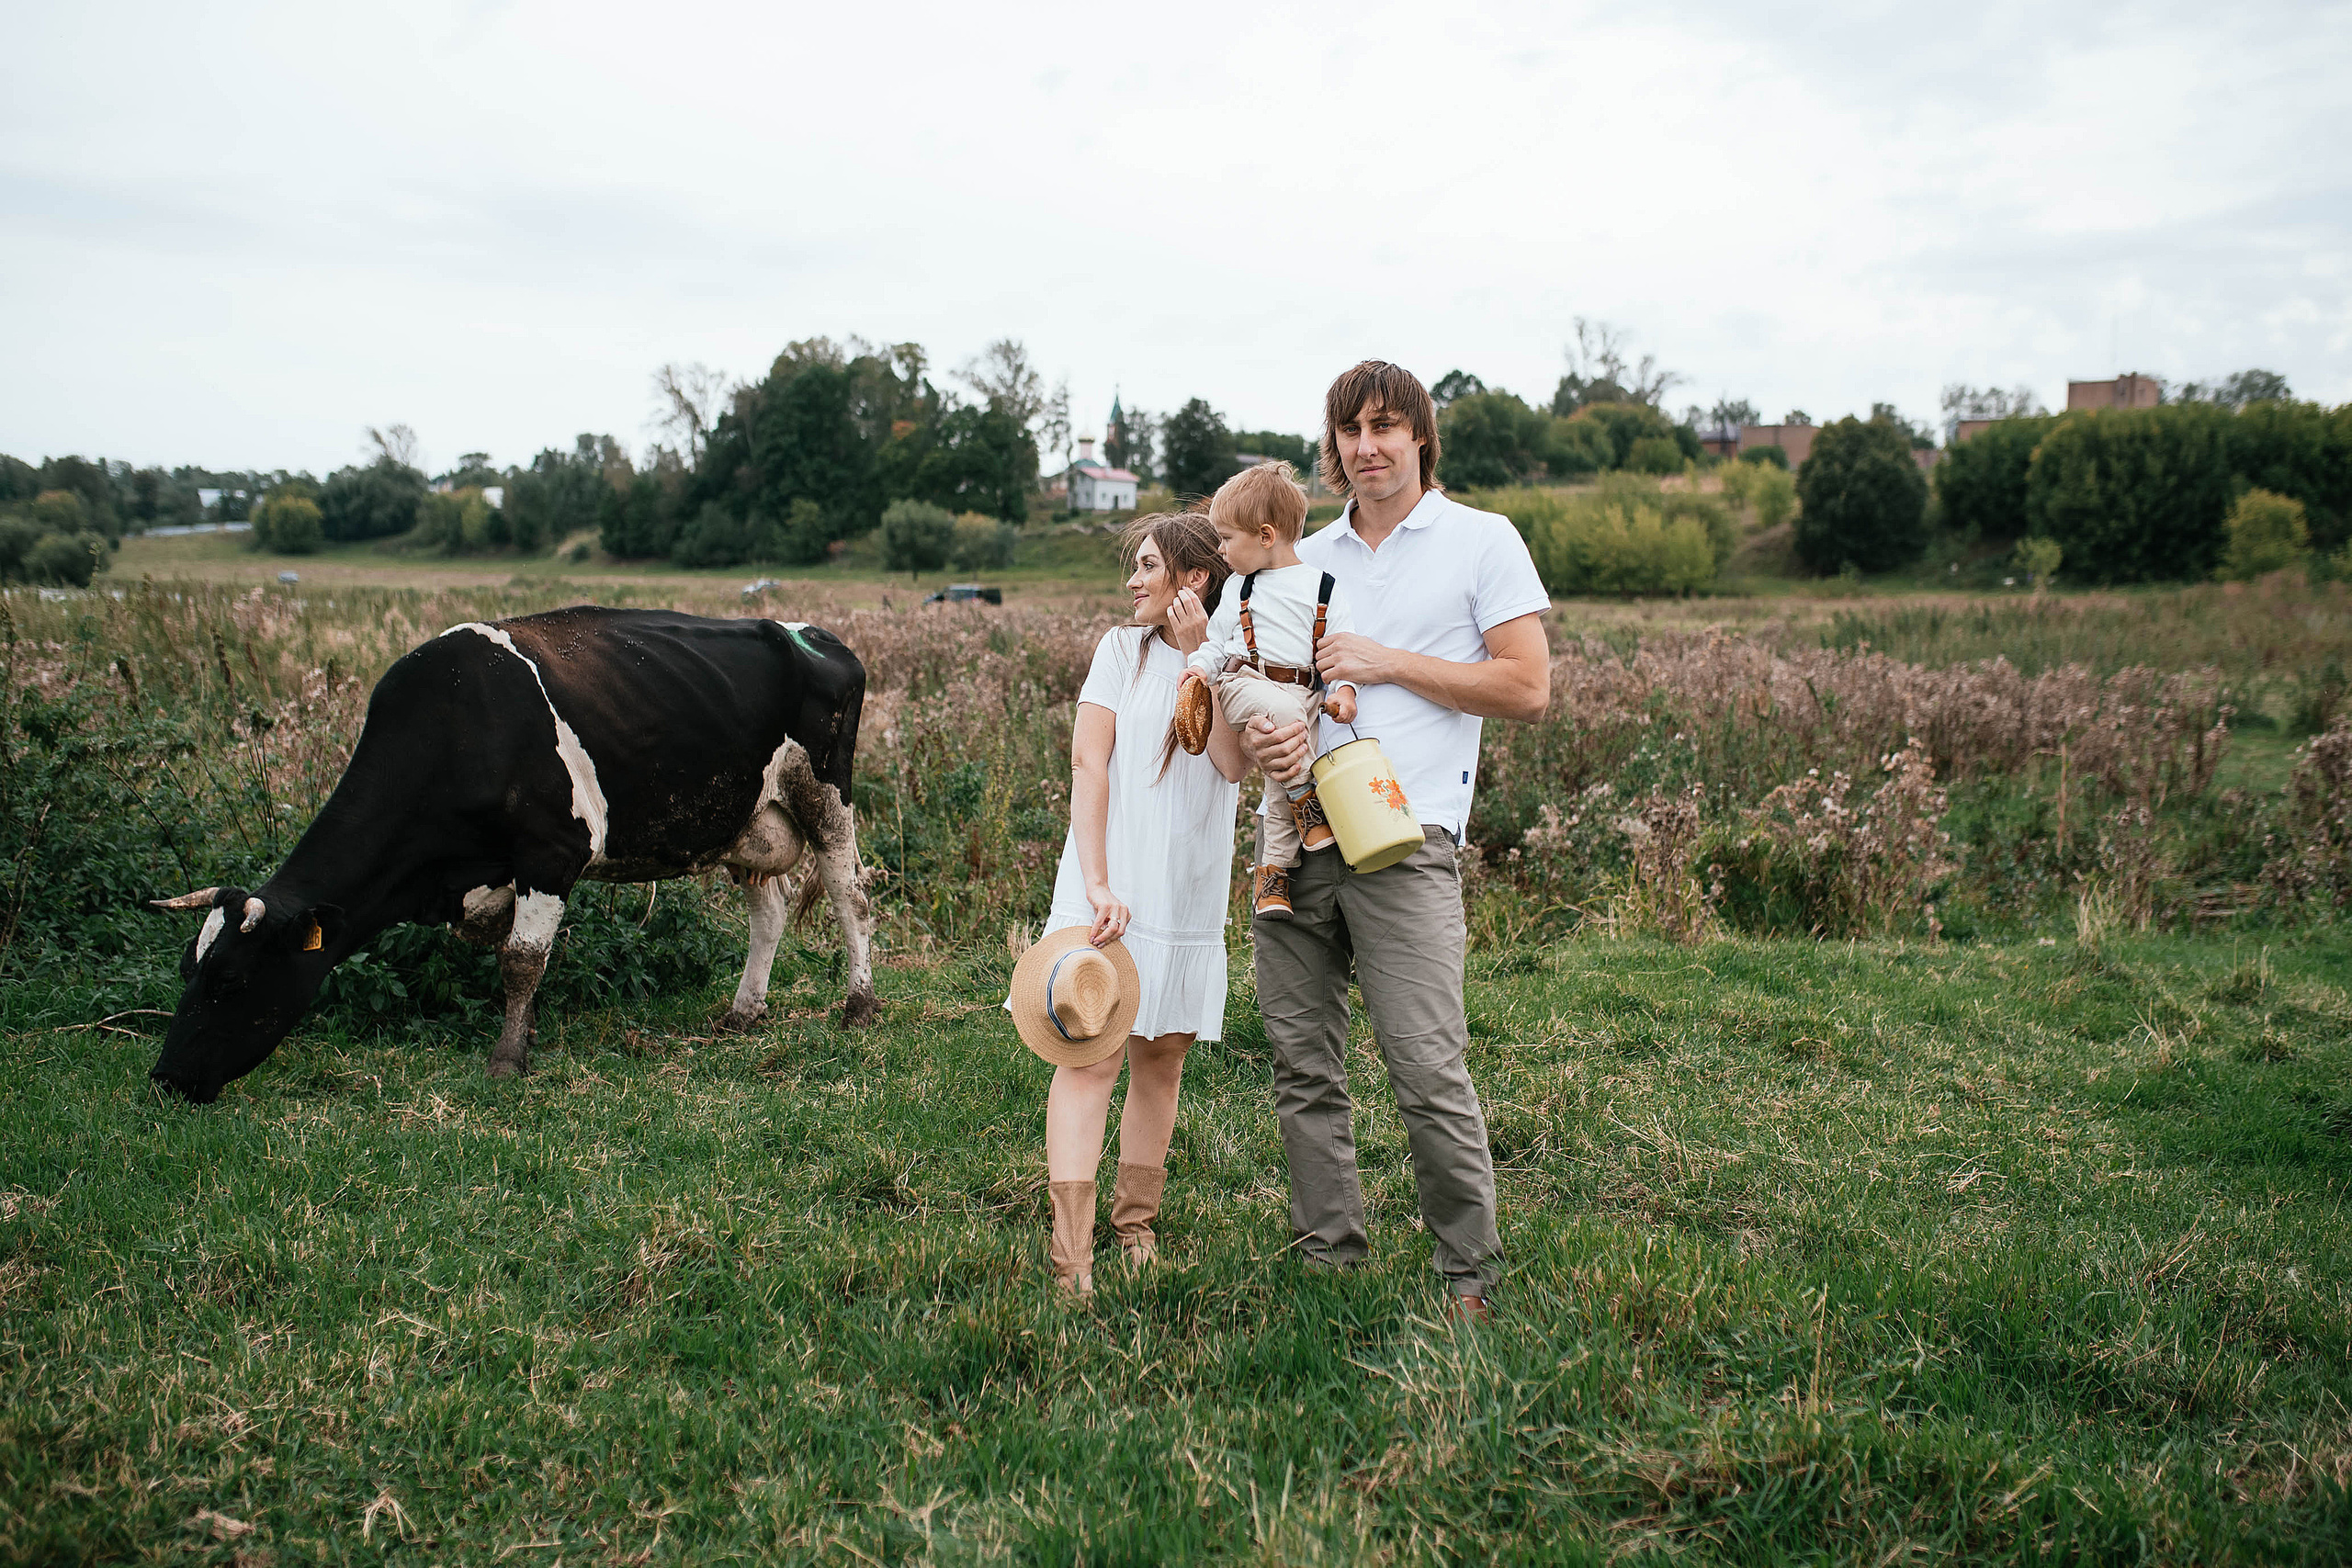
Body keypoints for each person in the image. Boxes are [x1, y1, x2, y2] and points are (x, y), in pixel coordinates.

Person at [1241, 361, 1552, 1323]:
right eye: (1350, 430)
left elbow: (1527, 688)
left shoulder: (1481, 540)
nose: (1367, 447)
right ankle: (1327, 1254)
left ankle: (1469, 1276)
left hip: (1405, 839)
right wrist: (1267, 734)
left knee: (1423, 1064)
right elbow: (1266, 685)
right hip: (1297, 837)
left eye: (1385, 427)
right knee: (1302, 1064)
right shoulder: (1301, 556)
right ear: (1332, 445)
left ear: (1420, 435)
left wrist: (1386, 663)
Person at [1028, 511, 1249, 1294]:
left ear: (1195, 578)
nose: (1133, 579)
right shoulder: (1120, 651)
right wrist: (1095, 882)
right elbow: (1088, 765)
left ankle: (1136, 1225)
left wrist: (1201, 660)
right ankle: (1072, 1256)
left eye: (1149, 565)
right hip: (1112, 884)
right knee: (1091, 1057)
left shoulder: (1233, 657)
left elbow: (1230, 764)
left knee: (1162, 1059)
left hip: (1186, 888)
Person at [1176, 461, 1360, 921]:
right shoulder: (1240, 587)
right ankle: (1309, 798)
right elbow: (1216, 644)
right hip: (1245, 683)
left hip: (1305, 695)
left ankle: (1271, 878)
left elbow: (1342, 651)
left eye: (1226, 538)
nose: (1220, 550)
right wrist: (1198, 667)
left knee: (1281, 775)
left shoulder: (1323, 587)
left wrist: (1345, 691)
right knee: (1289, 733)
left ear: (1264, 535)